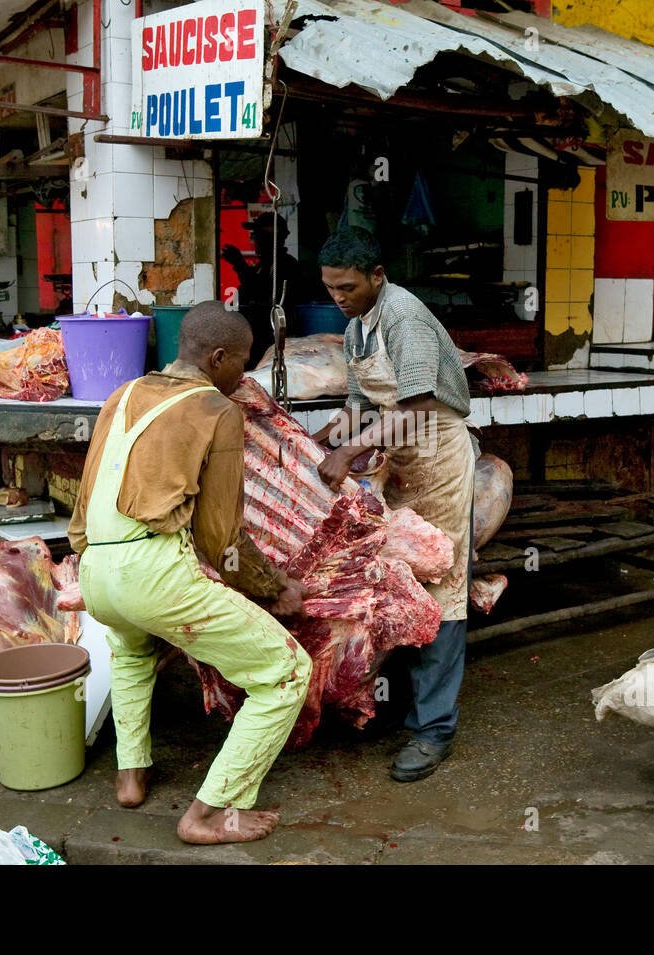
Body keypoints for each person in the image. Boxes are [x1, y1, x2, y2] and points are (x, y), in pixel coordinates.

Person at [68, 300, 310, 844]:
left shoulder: (120, 394)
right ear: (219, 358)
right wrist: (273, 589)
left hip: (96, 571)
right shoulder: (216, 410)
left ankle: (131, 777)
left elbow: (83, 507)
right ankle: (208, 813)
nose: (244, 377)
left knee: (132, 651)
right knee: (287, 672)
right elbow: (220, 540)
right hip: (151, 574)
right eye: (243, 364)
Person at [312, 227, 476, 782]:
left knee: (441, 586)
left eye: (348, 286)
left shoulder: (403, 316)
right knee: (394, 585)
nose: (338, 297)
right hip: (398, 460)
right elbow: (367, 395)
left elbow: (419, 405)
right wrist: (337, 427)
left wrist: (354, 447)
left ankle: (434, 731)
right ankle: (401, 707)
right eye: (331, 288)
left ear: (378, 276)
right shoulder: (360, 321)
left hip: (436, 458)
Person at [221, 212, 303, 369]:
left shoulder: (284, 264)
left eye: (256, 235)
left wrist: (239, 264)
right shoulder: (265, 264)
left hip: (269, 337)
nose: (253, 240)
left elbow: (262, 293)